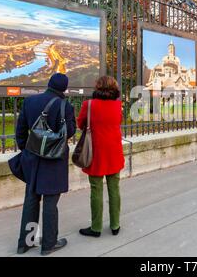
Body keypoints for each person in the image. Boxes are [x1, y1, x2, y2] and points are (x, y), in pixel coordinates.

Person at [15, 73, 76, 256]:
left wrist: (27, 150)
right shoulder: (66, 106)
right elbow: (70, 131)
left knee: (31, 200)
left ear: (49, 84)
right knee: (50, 202)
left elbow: (21, 130)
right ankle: (49, 244)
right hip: (54, 160)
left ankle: (26, 242)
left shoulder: (30, 102)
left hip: (32, 157)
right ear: (64, 88)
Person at [77, 76, 125, 238]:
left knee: (96, 189)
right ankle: (115, 225)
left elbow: (80, 124)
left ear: (97, 87)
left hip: (95, 152)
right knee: (114, 189)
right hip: (114, 151)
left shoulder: (89, 105)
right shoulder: (118, 105)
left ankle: (96, 227)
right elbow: (118, 121)